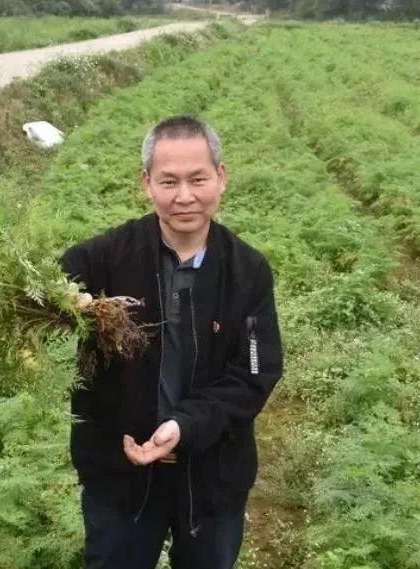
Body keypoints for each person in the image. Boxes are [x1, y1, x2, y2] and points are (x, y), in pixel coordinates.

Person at [60, 115, 283, 569]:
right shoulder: (104, 257)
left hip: (213, 475)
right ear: (147, 184)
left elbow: (254, 374)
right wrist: (61, 298)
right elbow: (43, 284)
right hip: (118, 471)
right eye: (169, 181)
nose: (184, 197)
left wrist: (186, 425)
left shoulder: (247, 271)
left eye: (198, 179)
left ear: (220, 177)